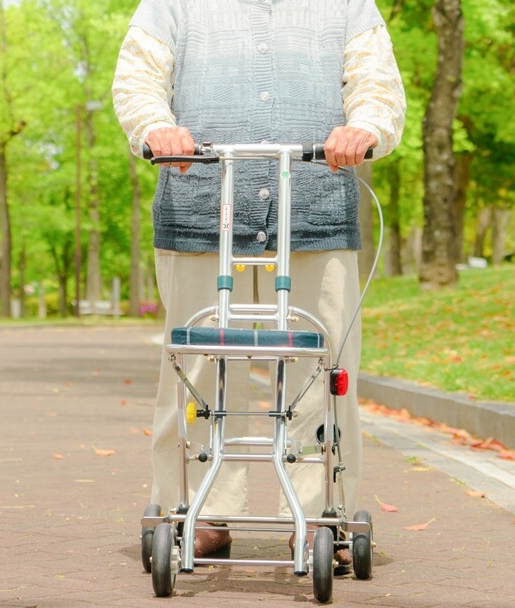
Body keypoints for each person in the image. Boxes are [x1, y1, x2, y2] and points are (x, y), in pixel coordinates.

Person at [112, 0, 406, 565]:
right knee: (193, 368)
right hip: (200, 205)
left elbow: (376, 82)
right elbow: (137, 78)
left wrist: (366, 125)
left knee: (324, 369)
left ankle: (323, 514)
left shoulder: (348, 5)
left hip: (316, 204)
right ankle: (196, 510)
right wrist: (155, 125)